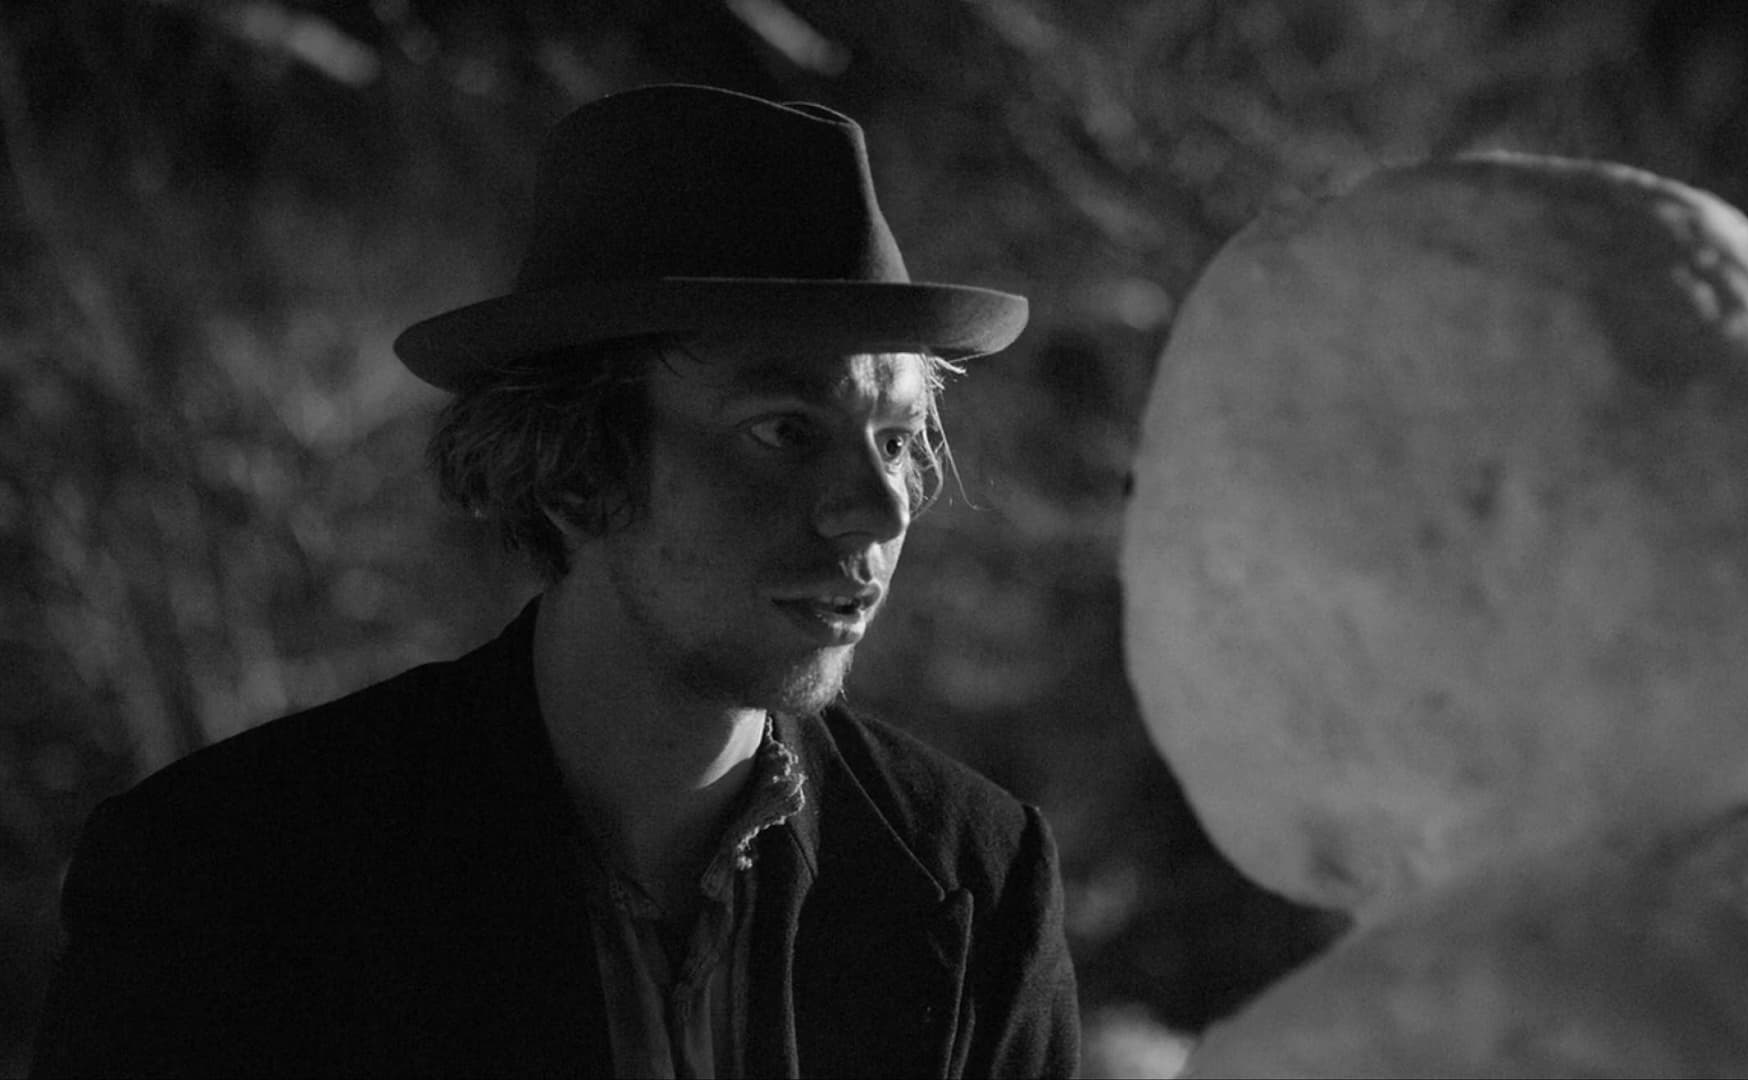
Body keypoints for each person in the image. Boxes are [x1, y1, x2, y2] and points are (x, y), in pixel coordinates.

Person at [32, 84, 1080, 1077]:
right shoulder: (231, 878)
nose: (881, 510)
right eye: (784, 432)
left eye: (896, 440)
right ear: (578, 470)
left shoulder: (976, 875)